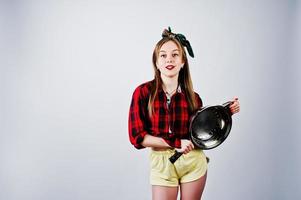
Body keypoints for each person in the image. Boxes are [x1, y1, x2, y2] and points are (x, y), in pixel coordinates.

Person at [128, 27, 240, 200]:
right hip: (162, 163)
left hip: (192, 162)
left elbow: (199, 133)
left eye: (175, 55)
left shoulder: (194, 98)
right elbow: (137, 137)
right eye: (163, 55)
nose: (169, 60)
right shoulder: (143, 93)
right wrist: (175, 142)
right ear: (156, 62)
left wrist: (225, 111)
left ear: (182, 62)